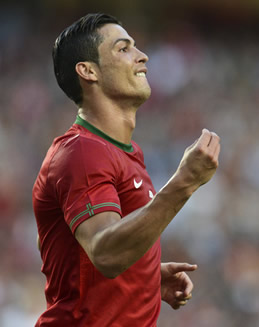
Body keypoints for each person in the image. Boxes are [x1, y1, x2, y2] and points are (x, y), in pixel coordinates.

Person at [32, 13, 221, 326]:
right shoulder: (81, 151)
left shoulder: (123, 152)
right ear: (88, 71)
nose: (142, 55)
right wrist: (184, 183)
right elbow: (105, 253)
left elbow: (88, 254)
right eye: (123, 49)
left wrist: (143, 276)